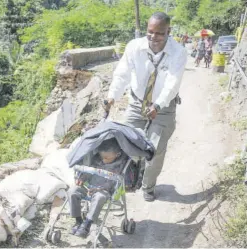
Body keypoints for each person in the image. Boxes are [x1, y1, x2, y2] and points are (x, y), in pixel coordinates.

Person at [104, 12, 187, 202]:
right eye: (150, 32)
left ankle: (148, 186)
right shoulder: (135, 47)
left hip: (163, 107)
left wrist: (158, 105)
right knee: (125, 143)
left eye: (159, 33)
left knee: (155, 149)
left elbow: (172, 83)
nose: (153, 37)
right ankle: (124, 181)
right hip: (137, 102)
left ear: (168, 32)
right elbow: (122, 74)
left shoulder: (178, 52)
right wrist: (112, 97)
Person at [68, 139, 127, 238]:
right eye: (101, 156)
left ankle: (87, 224)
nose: (103, 160)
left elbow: (113, 182)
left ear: (117, 154)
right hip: (89, 186)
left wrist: (99, 189)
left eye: (106, 158)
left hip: (104, 190)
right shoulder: (97, 159)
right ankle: (78, 220)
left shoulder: (119, 165)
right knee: (72, 191)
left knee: (99, 197)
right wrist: (82, 178)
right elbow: (89, 171)